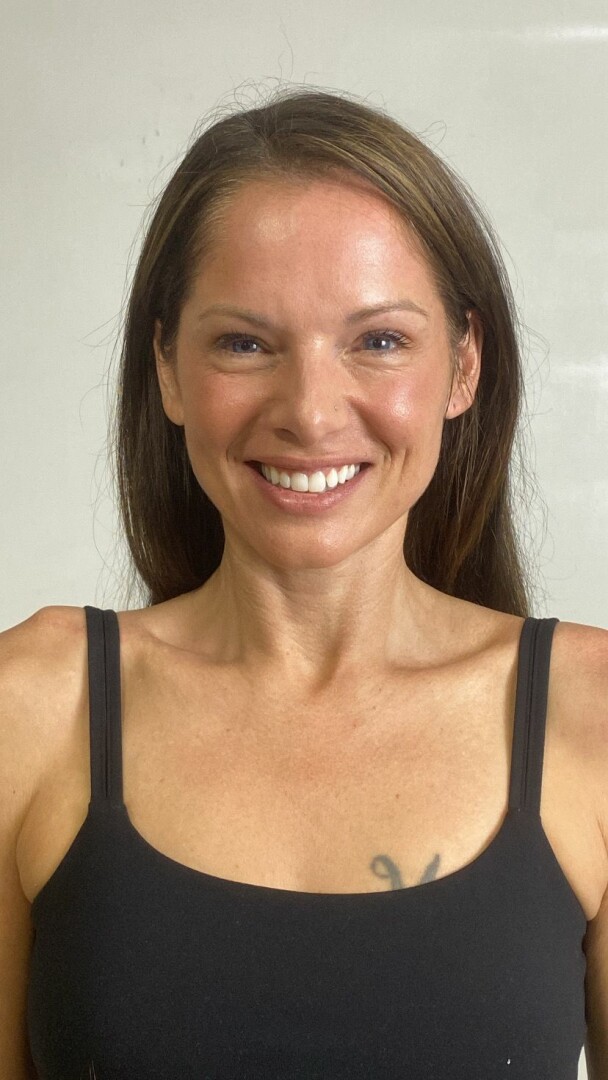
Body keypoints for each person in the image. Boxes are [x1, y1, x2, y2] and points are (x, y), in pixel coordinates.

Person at [1, 85, 607, 1080]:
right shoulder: (29, 709)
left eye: (378, 341)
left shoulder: (590, 716)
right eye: (245, 343)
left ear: (462, 366)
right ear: (167, 367)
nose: (311, 412)